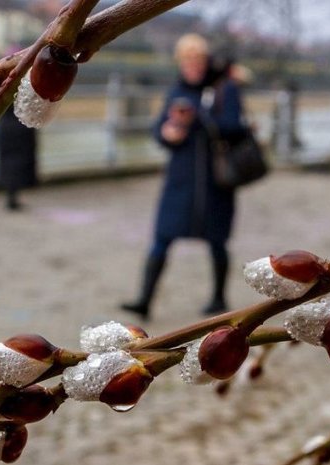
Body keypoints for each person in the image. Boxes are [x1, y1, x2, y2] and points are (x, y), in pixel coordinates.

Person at [120, 33, 248, 320]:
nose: (193, 65)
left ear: (206, 60)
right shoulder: (176, 90)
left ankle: (218, 298)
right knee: (161, 238)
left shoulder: (224, 88)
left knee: (218, 241)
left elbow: (235, 128)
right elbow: (158, 129)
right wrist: (167, 134)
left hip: (216, 181)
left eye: (197, 58)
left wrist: (198, 117)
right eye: (187, 59)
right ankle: (144, 300)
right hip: (180, 180)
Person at [0, 104, 38, 211]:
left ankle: (11, 195)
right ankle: (12, 196)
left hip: (7, 127)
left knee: (9, 162)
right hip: (22, 126)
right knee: (16, 162)